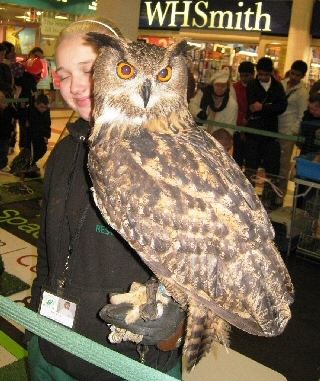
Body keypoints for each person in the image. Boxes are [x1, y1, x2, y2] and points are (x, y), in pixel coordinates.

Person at [25, 18, 184, 381]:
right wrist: (35, 326)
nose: (75, 86)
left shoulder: (166, 158)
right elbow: (48, 249)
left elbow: (210, 271)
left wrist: (178, 316)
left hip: (128, 362)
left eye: (89, 69)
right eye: (63, 75)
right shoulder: (65, 152)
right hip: (51, 347)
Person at [244, 57, 288, 176]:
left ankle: (269, 194)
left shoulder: (277, 87)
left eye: (266, 75)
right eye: (260, 74)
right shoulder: (252, 85)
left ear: (271, 72)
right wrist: (271, 107)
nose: (263, 77)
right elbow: (253, 108)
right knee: (250, 168)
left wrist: (263, 107)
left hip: (270, 134)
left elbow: (282, 107)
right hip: (253, 133)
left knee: (272, 171)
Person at [277, 60, 309, 202]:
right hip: (275, 129)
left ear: (302, 76)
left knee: (283, 167)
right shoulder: (282, 84)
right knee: (272, 165)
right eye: (293, 73)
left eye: (298, 75)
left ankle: (279, 198)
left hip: (287, 134)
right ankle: (270, 194)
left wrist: (291, 132)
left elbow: (302, 115)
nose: (294, 77)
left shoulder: (302, 93)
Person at [188, 67, 238, 136]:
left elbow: (229, 129)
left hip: (218, 139)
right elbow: (192, 105)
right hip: (199, 134)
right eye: (217, 85)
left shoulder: (232, 105)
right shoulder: (203, 94)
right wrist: (198, 112)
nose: (220, 89)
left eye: (223, 86)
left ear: (227, 87)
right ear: (213, 85)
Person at [230, 61, 255, 167]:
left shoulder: (257, 87)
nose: (244, 78)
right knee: (237, 158)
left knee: (251, 160)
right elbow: (234, 109)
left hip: (253, 128)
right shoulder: (234, 88)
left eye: (246, 75)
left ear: (253, 74)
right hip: (239, 127)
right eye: (242, 76)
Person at [21, 93, 51, 171]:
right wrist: (25, 124)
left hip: (40, 135)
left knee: (42, 149)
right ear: (36, 104)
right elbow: (23, 119)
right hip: (31, 136)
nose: (43, 109)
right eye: (41, 107)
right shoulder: (30, 110)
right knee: (31, 152)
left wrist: (47, 135)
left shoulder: (46, 112)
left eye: (45, 107)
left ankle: (33, 162)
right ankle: (27, 166)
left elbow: (47, 123)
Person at [0, 90, 17, 172]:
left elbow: (18, 115)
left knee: (4, 150)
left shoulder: (10, 110)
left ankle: (3, 165)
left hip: (6, 134)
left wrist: (23, 108)